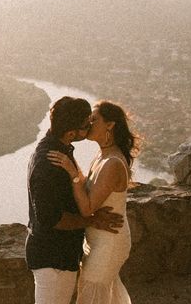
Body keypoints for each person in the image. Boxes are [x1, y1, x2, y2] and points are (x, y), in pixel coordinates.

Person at [26, 96, 124, 304]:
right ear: (72, 133)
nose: (89, 126)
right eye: (85, 124)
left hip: (61, 255)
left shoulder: (60, 151)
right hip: (53, 257)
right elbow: (50, 219)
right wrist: (92, 220)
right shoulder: (49, 165)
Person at [48, 100, 140, 304]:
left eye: (94, 119)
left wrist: (72, 173)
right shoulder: (103, 155)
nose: (88, 124)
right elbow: (89, 187)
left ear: (110, 125)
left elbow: (87, 207)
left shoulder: (113, 163)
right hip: (98, 240)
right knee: (103, 295)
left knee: (91, 293)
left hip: (109, 241)